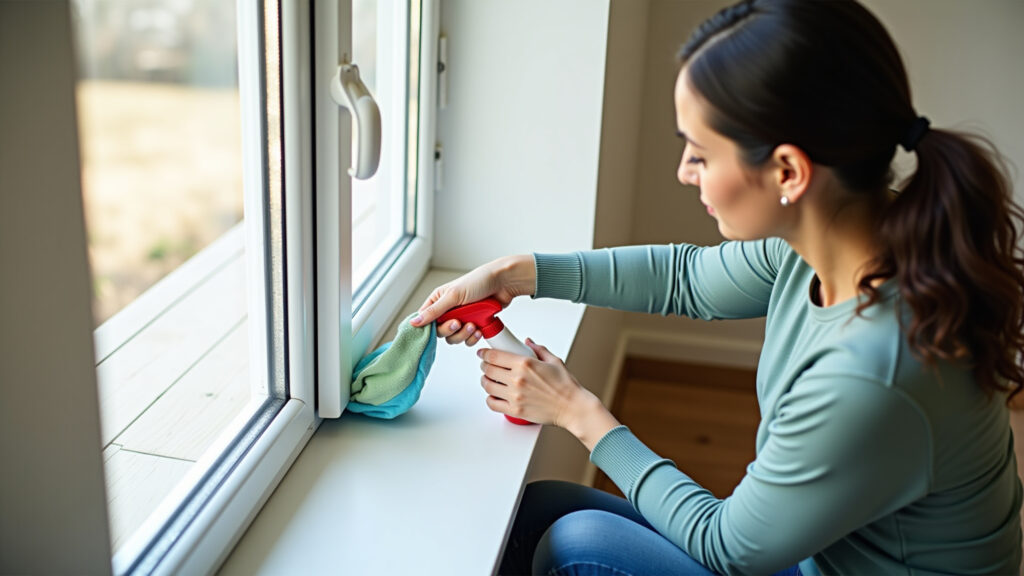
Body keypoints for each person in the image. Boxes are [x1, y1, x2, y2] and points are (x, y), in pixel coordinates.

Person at [409, 0, 1024, 573]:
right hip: (821, 553)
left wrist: (578, 411)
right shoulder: (843, 233)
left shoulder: (876, 371)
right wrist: (517, 274)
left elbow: (727, 546)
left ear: (788, 170)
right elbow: (688, 280)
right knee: (542, 510)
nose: (683, 172)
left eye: (700, 154)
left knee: (576, 546)